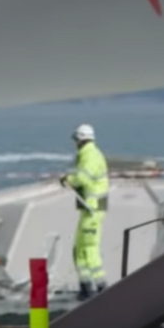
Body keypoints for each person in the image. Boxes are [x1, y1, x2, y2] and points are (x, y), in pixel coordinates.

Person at [58, 123, 110, 299]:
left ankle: (99, 287)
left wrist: (68, 178)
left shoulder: (89, 156)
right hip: (89, 209)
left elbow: (82, 179)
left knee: (88, 248)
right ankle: (86, 285)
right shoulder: (89, 154)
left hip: (92, 209)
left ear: (79, 139)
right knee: (80, 249)